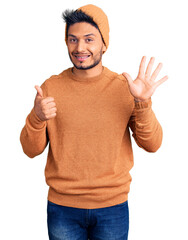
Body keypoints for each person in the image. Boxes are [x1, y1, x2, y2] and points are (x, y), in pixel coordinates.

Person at [20, 4, 168, 240]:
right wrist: (37, 117)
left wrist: (142, 102)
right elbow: (30, 150)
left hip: (113, 207)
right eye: (73, 39)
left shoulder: (124, 88)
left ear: (104, 43)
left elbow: (153, 144)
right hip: (62, 207)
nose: (80, 48)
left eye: (89, 39)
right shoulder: (51, 87)